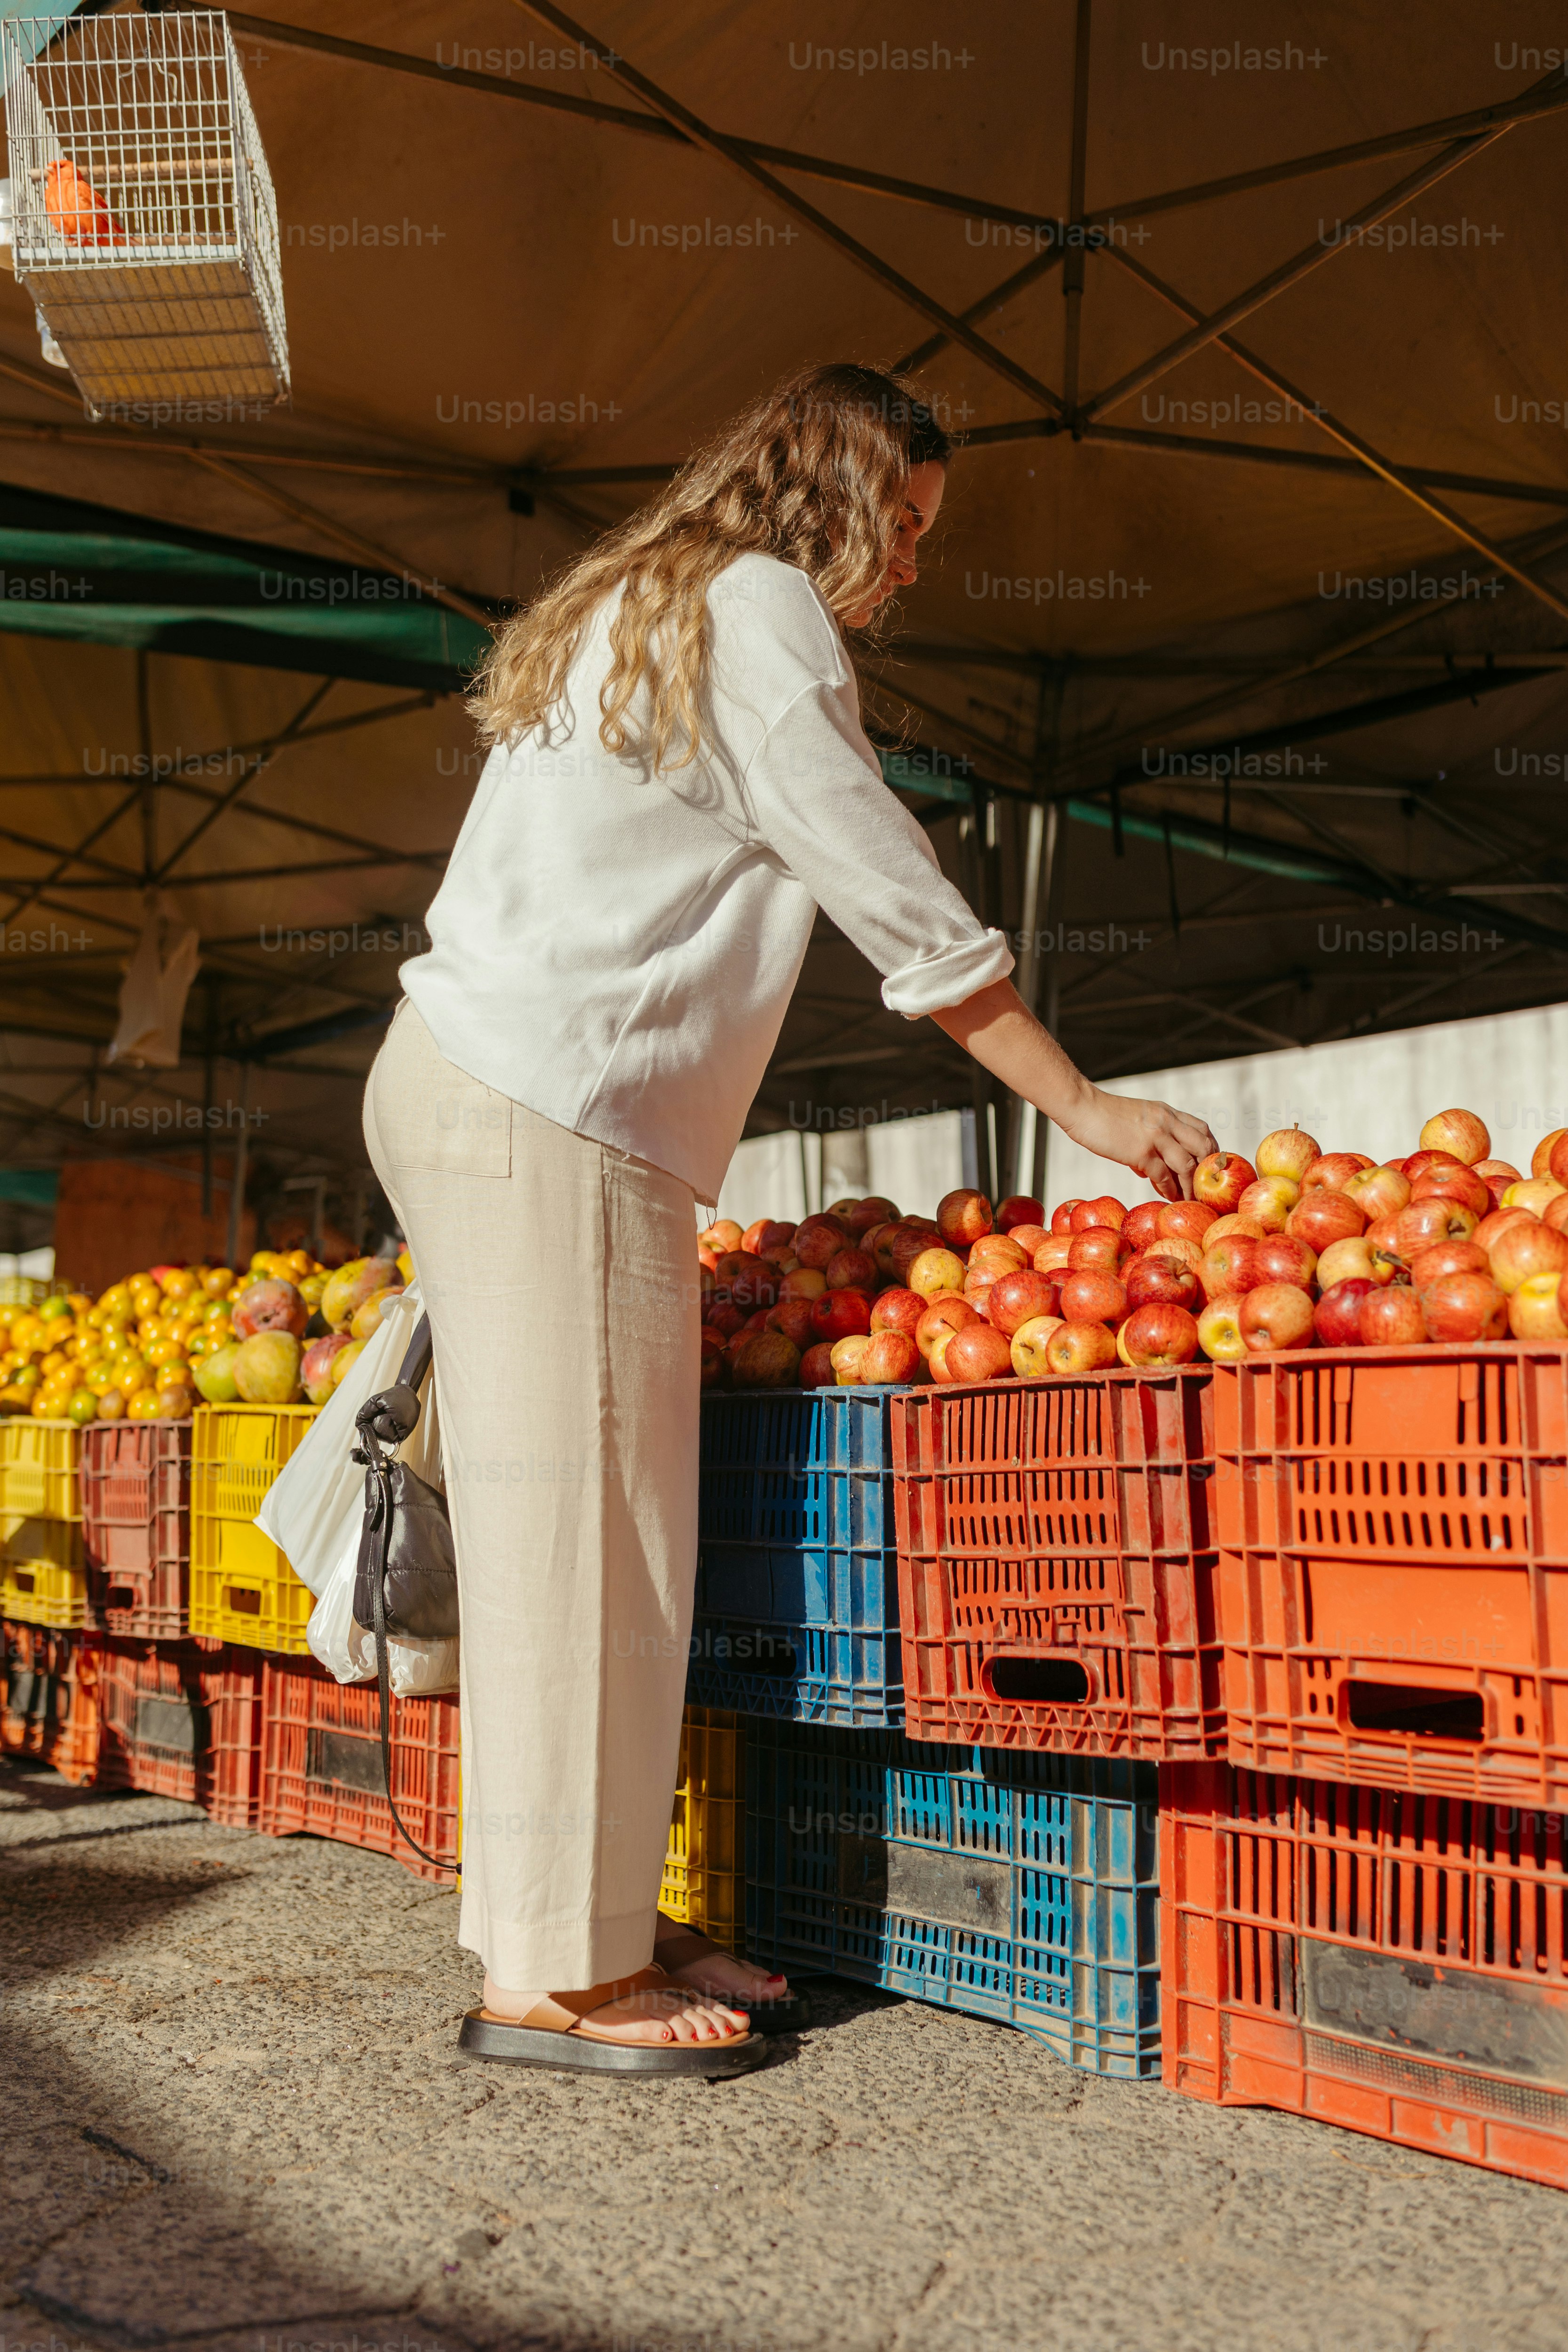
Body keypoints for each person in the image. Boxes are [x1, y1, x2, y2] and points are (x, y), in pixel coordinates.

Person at [363, 361, 1216, 2076]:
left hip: (491, 1089)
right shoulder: (756, 613)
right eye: (899, 524)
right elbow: (880, 872)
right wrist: (1082, 1102)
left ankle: (590, 1924)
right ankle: (556, 1981)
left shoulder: (640, 600)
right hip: (549, 1112)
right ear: (826, 500)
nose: (909, 566)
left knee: (607, 1540)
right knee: (590, 1544)